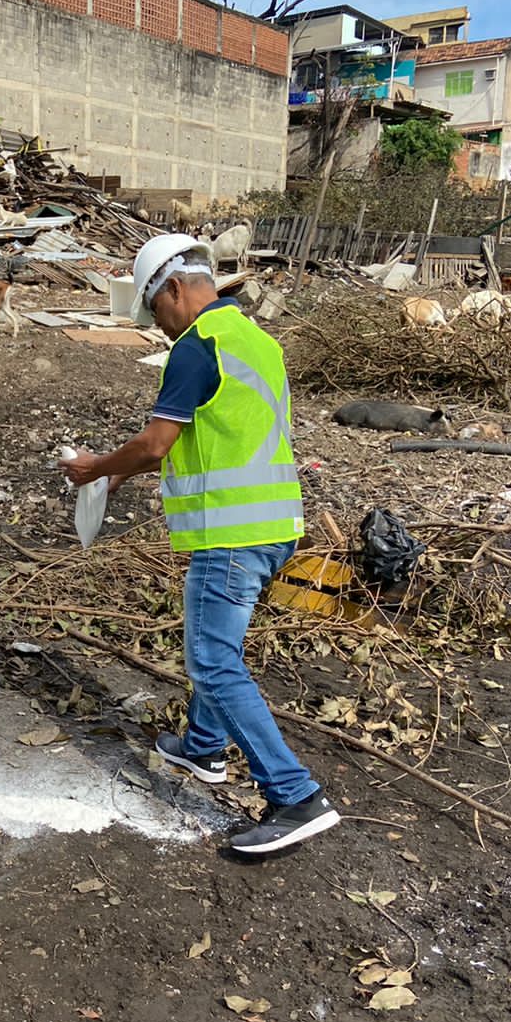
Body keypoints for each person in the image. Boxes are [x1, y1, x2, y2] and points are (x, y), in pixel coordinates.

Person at [59, 234, 339, 855]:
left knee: (213, 659)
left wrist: (96, 466)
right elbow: (210, 436)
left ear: (175, 290)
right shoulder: (256, 341)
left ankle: (296, 796)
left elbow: (157, 442)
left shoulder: (196, 347)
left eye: (154, 310)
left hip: (230, 534)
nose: (158, 327)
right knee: (220, 646)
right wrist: (114, 472)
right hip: (274, 526)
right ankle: (203, 747)